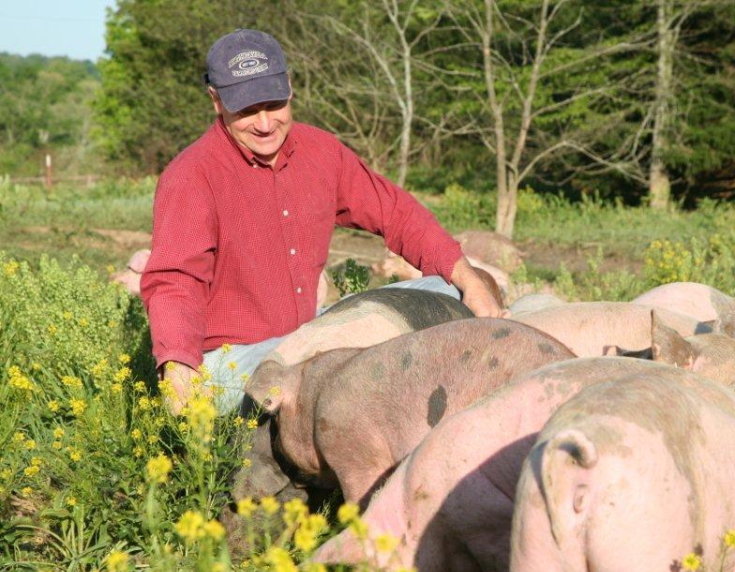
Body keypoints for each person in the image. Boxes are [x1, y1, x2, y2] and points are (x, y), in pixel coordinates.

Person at [141, 29, 503, 414]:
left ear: (290, 88)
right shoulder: (192, 175)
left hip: (306, 335)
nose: (265, 124)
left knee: (444, 291)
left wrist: (469, 279)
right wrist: (178, 368)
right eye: (246, 110)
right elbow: (175, 280)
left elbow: (397, 213)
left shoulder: (322, 151)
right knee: (336, 361)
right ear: (216, 101)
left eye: (274, 104)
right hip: (235, 360)